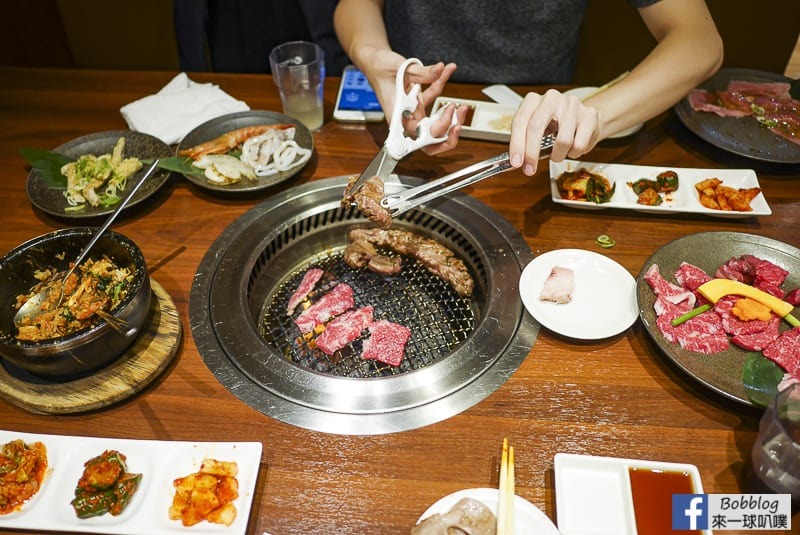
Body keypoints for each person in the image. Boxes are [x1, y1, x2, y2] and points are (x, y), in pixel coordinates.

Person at [333, 0, 723, 175]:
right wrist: (373, 58)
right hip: (413, 104)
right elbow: (355, 4)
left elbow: (699, 42)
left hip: (542, 129)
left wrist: (594, 113)